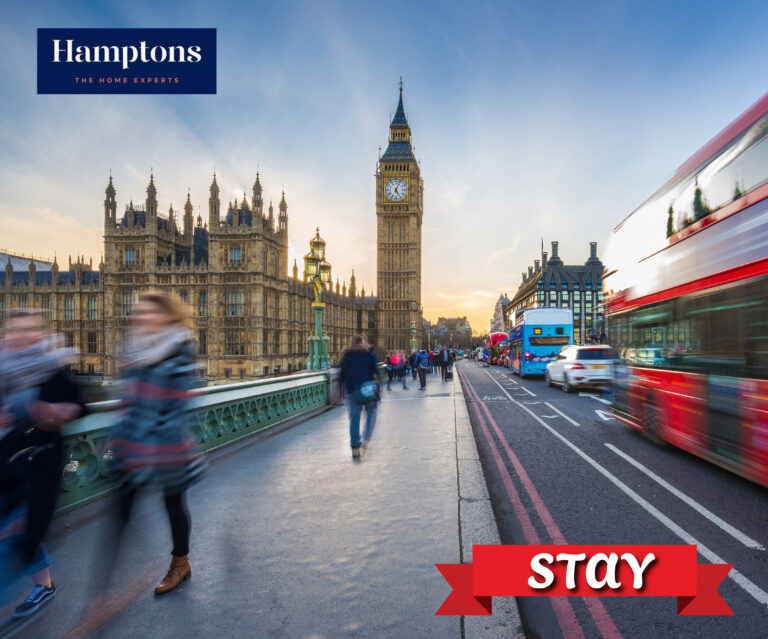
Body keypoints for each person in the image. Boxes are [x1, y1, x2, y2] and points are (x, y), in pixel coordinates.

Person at [105, 292, 203, 596]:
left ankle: (180, 562)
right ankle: (101, 591)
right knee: (119, 513)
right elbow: (128, 398)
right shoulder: (134, 350)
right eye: (139, 313)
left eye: (150, 312)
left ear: (168, 316)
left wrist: (152, 440)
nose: (143, 318)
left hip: (168, 446)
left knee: (173, 506)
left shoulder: (181, 350)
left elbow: (181, 402)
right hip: (134, 444)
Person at [0, 309, 85, 618]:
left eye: (28, 329)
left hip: (41, 459)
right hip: (8, 457)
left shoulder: (52, 369)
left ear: (38, 333)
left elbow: (79, 405)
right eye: (15, 329)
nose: (21, 335)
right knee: (12, 525)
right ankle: (43, 583)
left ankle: (38, 584)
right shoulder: (4, 367)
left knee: (20, 528)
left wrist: (55, 411)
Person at [340, 335, 379, 459]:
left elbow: (342, 375)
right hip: (368, 390)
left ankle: (355, 448)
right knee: (371, 416)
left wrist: (344, 392)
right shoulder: (369, 356)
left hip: (352, 392)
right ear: (363, 344)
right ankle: (366, 438)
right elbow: (377, 373)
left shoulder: (346, 357)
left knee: (354, 420)